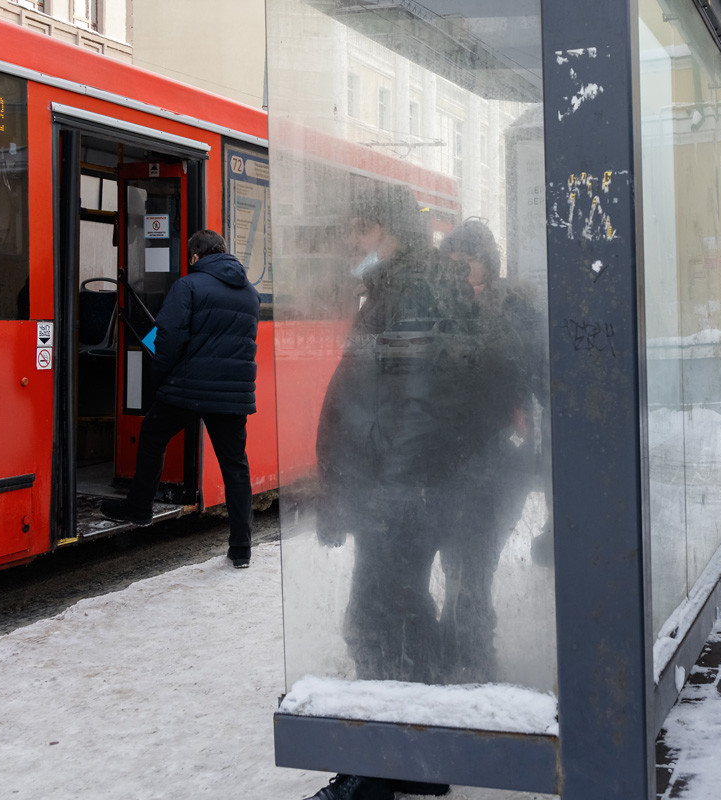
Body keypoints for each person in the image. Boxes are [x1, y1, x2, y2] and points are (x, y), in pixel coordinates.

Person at [303, 186, 468, 800]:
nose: (352, 242)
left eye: (361, 230)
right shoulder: (397, 287)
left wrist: (394, 490)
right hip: (393, 486)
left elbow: (419, 403)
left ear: (389, 231)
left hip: (401, 490)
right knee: (398, 614)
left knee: (374, 620)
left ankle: (381, 767)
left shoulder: (413, 290)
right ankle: (416, 759)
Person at [101, 229, 260, 569]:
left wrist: (160, 380)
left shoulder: (188, 285)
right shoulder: (249, 293)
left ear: (194, 256)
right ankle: (241, 548)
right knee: (235, 467)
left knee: (153, 435)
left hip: (187, 389)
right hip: (231, 395)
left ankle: (139, 508)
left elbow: (168, 337)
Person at [436, 218, 545, 682]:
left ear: (488, 263)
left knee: (476, 561)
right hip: (450, 457)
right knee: (455, 562)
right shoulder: (441, 308)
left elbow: (540, 373)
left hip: (503, 457)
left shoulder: (516, 311)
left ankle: (476, 657)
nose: (463, 273)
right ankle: (455, 643)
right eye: (454, 264)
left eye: (470, 263)